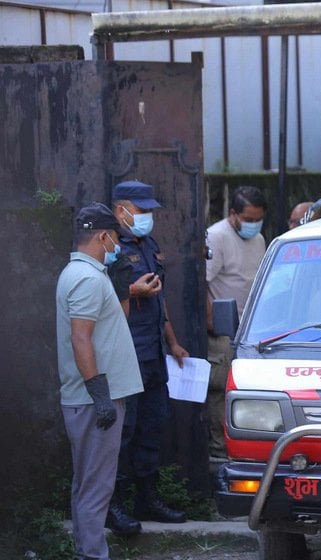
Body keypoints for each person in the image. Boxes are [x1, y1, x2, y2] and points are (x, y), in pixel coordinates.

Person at [56, 203, 144, 558]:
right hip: (95, 399)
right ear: (104, 236)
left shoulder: (82, 273)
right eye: (115, 239)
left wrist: (121, 287)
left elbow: (110, 323)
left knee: (87, 485)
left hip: (92, 397)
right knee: (96, 489)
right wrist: (100, 394)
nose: (117, 246)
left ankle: (85, 551)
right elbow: (81, 338)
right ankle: (93, 554)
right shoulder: (88, 278)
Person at [108, 180, 189, 534]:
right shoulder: (108, 245)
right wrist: (130, 290)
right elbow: (96, 294)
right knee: (121, 432)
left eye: (149, 212)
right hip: (126, 353)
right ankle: (114, 504)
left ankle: (147, 498)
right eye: (141, 211)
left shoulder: (148, 244)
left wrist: (172, 342)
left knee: (151, 428)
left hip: (154, 352)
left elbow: (158, 297)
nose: (146, 218)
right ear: (120, 210)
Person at [205, 186, 267, 459]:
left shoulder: (260, 239)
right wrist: (212, 322)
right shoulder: (217, 237)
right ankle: (219, 452)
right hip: (222, 330)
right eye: (249, 219)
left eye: (258, 219)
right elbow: (202, 284)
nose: (253, 225)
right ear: (233, 214)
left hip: (250, 330)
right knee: (221, 392)